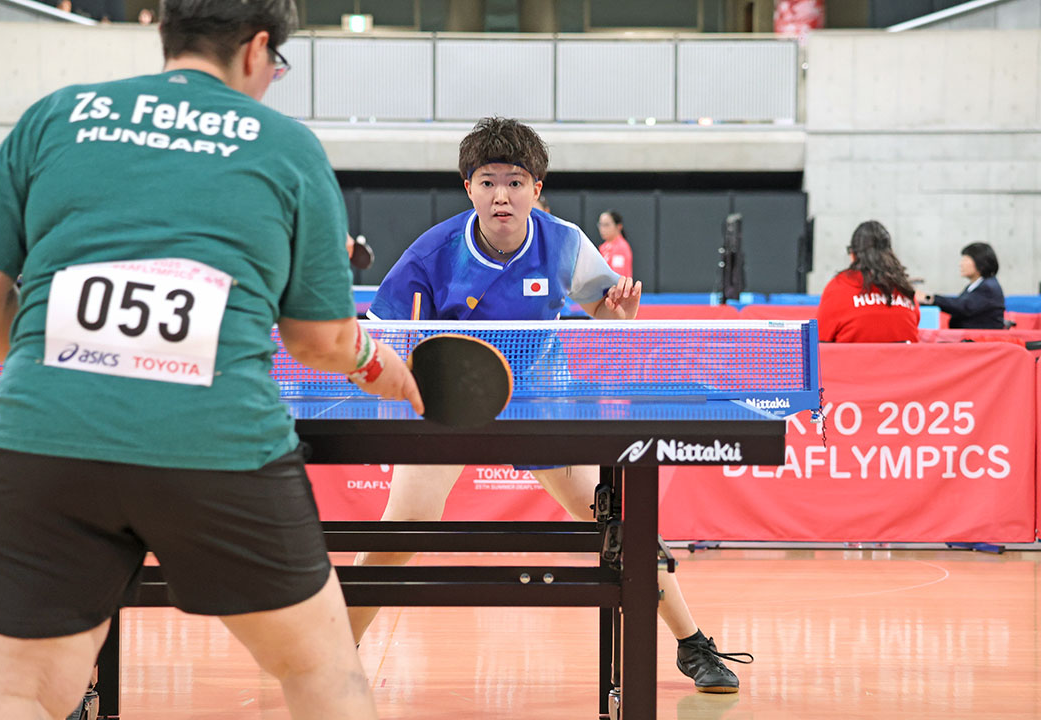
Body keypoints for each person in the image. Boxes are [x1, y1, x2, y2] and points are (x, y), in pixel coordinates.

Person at [0, 1, 424, 718]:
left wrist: (55, 364)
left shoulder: (56, 116)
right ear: (257, 49)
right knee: (323, 679)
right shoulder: (284, 146)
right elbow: (319, 339)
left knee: (15, 693)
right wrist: (376, 364)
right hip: (217, 448)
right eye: (277, 65)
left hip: (41, 441)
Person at [358, 116, 752, 693]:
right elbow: (377, 337)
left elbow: (608, 313)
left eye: (516, 182)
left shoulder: (563, 241)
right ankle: (337, 652)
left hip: (539, 396)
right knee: (405, 526)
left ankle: (692, 644)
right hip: (447, 402)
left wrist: (619, 316)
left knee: (613, 521)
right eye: (488, 181)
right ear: (468, 187)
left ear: (536, 190)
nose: (502, 195)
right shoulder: (432, 253)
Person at [816, 220, 919, 342]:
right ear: (889, 253)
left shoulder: (837, 288)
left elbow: (819, 342)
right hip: (904, 361)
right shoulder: (905, 289)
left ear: (853, 254)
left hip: (850, 361)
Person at [916, 242, 1005, 329]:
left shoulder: (988, 287)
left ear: (980, 261)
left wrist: (929, 298)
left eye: (966, 259)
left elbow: (962, 306)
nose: (961, 264)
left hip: (980, 340)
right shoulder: (975, 285)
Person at [596, 209, 633, 278]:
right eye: (600, 225)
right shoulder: (603, 247)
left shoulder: (621, 247)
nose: (602, 229)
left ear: (618, 226)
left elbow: (618, 276)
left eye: (606, 225)